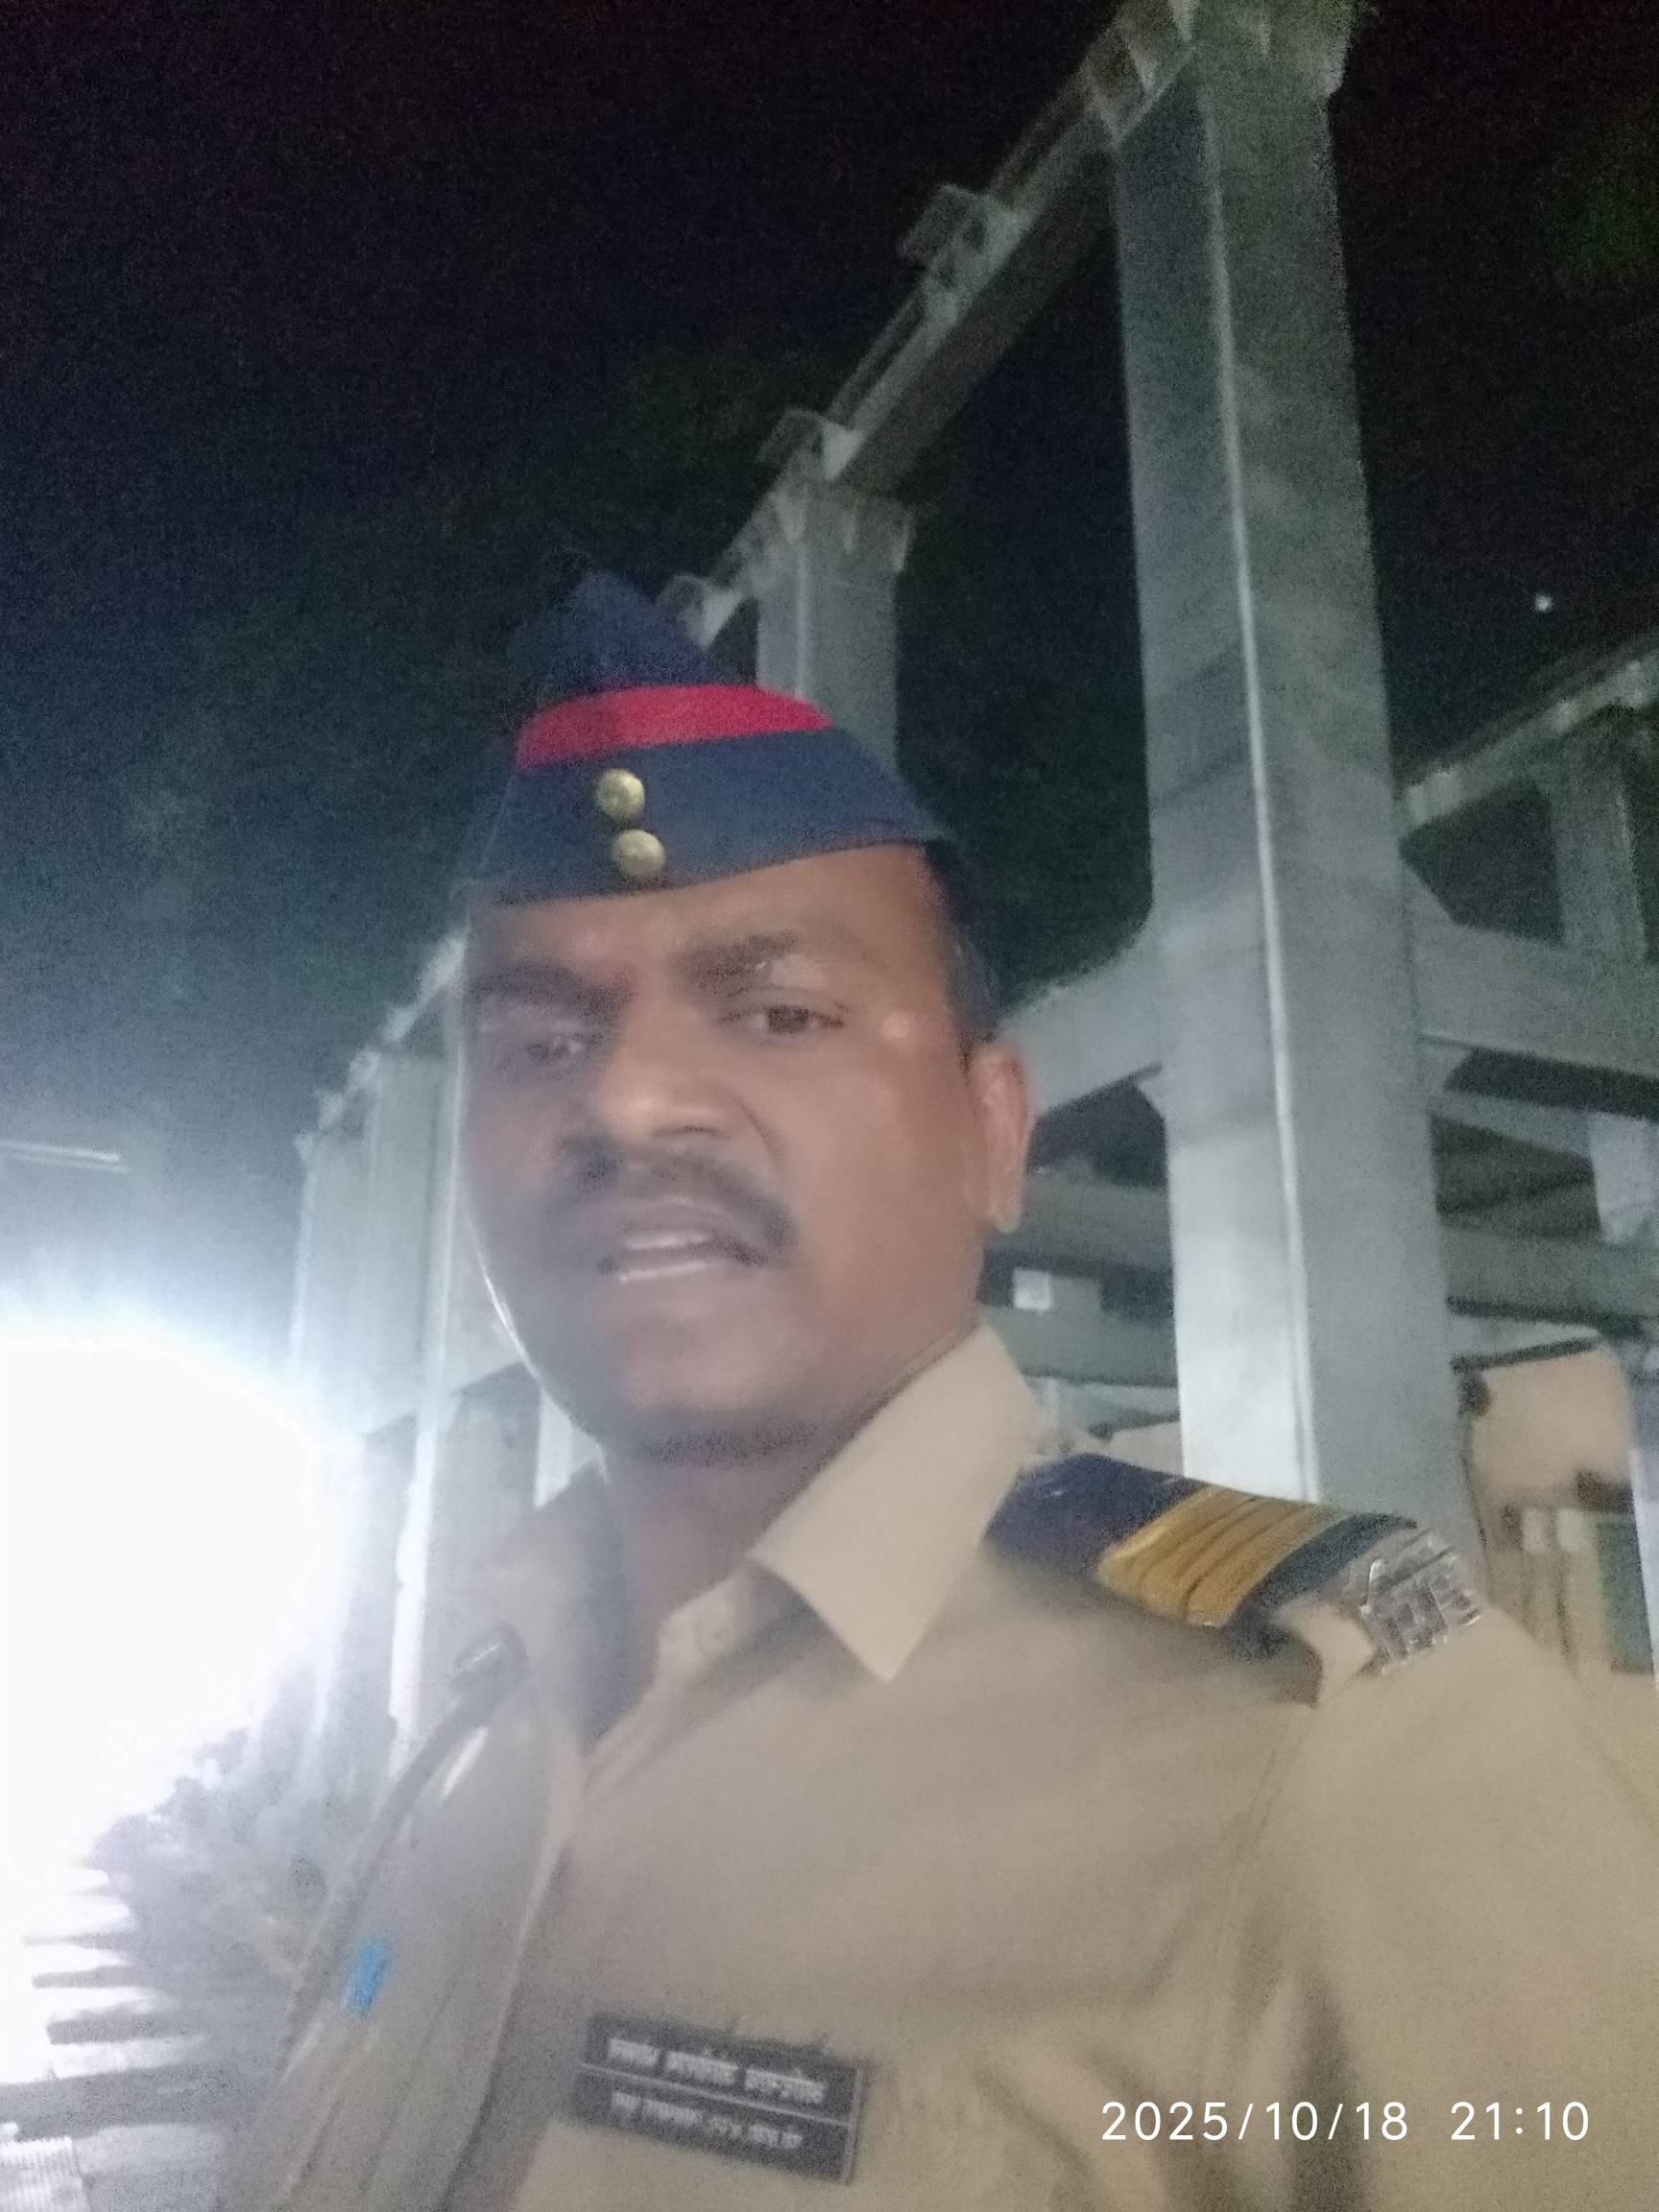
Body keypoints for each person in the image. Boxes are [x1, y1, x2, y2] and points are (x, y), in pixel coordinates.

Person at [222, 573, 1659, 2212]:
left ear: (994, 1132)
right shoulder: (477, 1729)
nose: (625, 1101)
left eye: (778, 1012)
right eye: (542, 1042)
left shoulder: (1337, 1773)